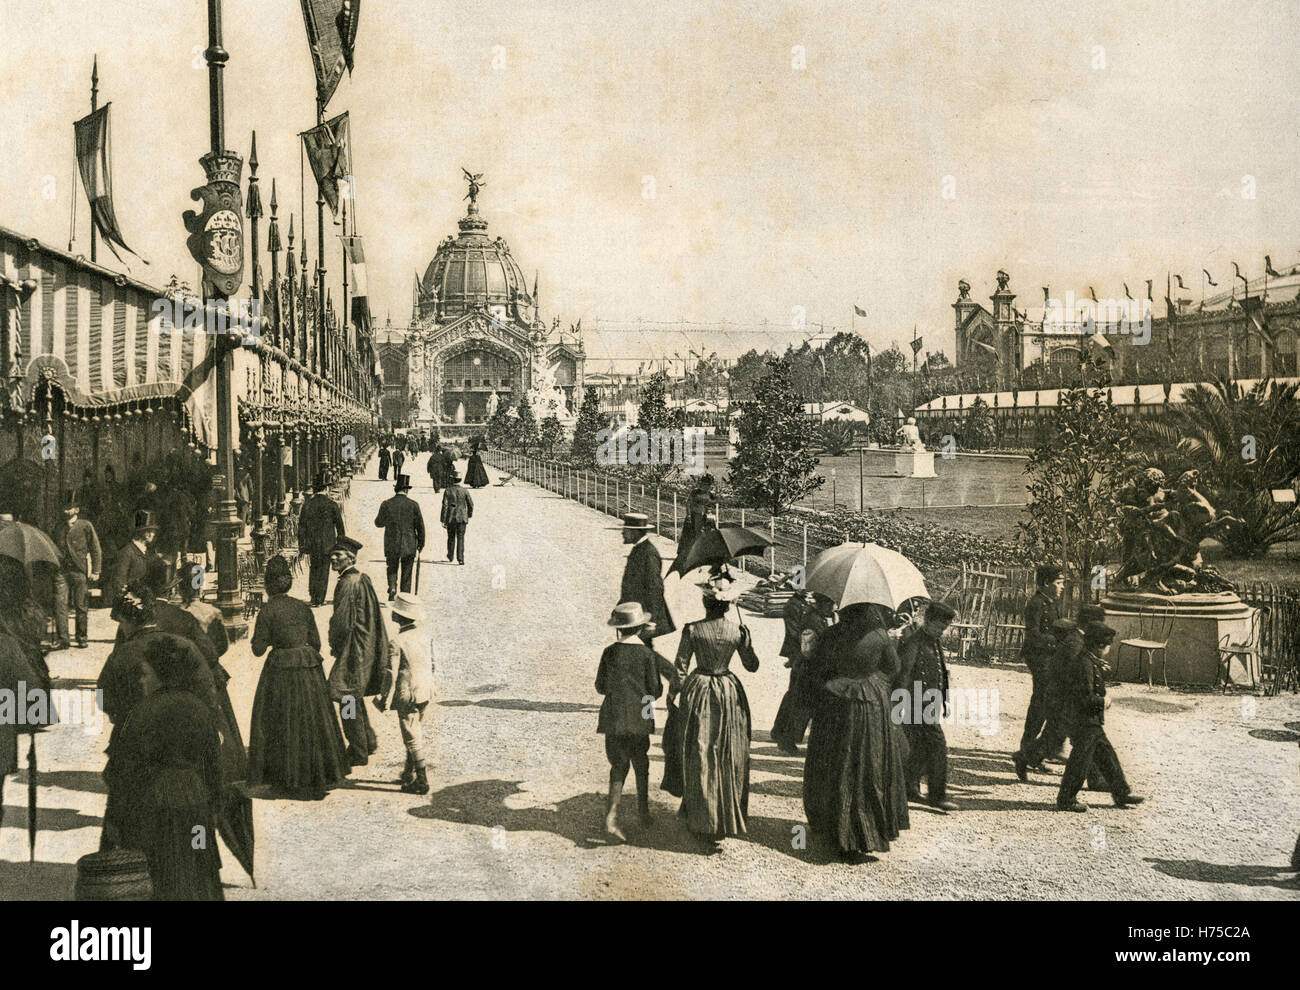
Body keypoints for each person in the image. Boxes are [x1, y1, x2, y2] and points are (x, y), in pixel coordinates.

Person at [104, 637, 224, 900]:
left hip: (152, 808)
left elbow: (120, 773)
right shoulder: (200, 710)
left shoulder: (138, 714)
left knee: (157, 872)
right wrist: (212, 808)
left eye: (145, 674)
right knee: (197, 864)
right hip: (196, 808)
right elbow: (214, 766)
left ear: (160, 675)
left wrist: (114, 819)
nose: (141, 681)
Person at [98, 585, 216, 850]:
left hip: (135, 751)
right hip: (185, 753)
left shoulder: (122, 654)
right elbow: (208, 695)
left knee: (132, 826)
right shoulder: (186, 646)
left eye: (122, 623)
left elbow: (104, 700)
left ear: (129, 620)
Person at [802, 602, 910, 860]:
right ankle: (863, 832)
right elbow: (894, 669)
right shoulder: (880, 635)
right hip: (870, 706)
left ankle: (833, 828)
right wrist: (870, 677)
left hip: (836, 703)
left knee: (834, 762)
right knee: (866, 765)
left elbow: (818, 669)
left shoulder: (830, 634)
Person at [249, 555, 348, 799]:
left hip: (280, 669)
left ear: (268, 584)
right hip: (308, 668)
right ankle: (317, 774)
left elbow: (258, 649)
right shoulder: (303, 607)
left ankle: (283, 778)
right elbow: (315, 643)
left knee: (278, 722)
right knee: (312, 721)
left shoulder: (267, 610)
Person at [672, 574, 759, 845]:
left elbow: (680, 668)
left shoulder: (692, 629)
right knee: (728, 751)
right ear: (728, 604)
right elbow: (752, 666)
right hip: (728, 689)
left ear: (705, 602)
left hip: (700, 689)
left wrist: (676, 696)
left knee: (700, 750)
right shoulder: (737, 631)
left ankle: (701, 816)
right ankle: (724, 815)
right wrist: (747, 642)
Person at [596, 602, 673, 842]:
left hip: (614, 717)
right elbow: (656, 689)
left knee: (618, 765)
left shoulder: (609, 652)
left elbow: (600, 687)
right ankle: (643, 811)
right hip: (641, 716)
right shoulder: (647, 655)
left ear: (618, 629)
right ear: (640, 628)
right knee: (641, 762)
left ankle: (611, 817)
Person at [1056, 622, 1144, 812]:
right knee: (1080, 762)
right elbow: (1084, 698)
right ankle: (1066, 799)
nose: (1109, 649)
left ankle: (1122, 793)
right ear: (1099, 645)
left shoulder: (1088, 661)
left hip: (1089, 721)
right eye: (1108, 645)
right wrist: (1103, 701)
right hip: (1083, 721)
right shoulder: (1084, 665)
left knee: (1107, 756)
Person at [327, 536, 390, 766]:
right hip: (367, 646)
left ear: (350, 558)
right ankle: (368, 740)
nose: (333, 558)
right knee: (353, 693)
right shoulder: (362, 578)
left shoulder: (347, 584)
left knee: (345, 695)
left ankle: (357, 749)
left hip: (353, 649)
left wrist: (334, 644)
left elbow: (341, 623)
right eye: (332, 554)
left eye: (338, 555)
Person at [896, 601, 958, 812]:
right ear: (928, 620)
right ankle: (937, 796)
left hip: (929, 703)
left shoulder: (933, 641)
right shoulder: (914, 642)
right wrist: (899, 704)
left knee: (920, 750)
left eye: (945, 628)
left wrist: (944, 698)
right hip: (916, 704)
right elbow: (904, 674)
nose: (942, 631)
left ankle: (908, 787)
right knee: (938, 747)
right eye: (939, 627)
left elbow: (940, 671)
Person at [377, 592, 437, 795]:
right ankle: (408, 772)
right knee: (415, 730)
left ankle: (422, 780)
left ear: (399, 616)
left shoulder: (397, 641)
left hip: (407, 693)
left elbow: (390, 674)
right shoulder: (425, 635)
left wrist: (383, 697)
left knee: (411, 736)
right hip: (425, 689)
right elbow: (434, 664)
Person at [1013, 564, 1064, 778]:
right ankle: (1029, 749)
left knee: (1047, 703)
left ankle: (1038, 750)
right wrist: (1058, 640)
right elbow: (1033, 635)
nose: (1062, 587)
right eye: (1058, 583)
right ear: (1045, 584)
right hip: (1038, 657)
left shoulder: (1051, 603)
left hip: (1049, 657)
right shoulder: (1035, 604)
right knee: (1041, 703)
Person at [771, 590, 834, 754]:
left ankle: (782, 734)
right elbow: (808, 649)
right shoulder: (813, 620)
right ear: (823, 604)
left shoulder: (817, 617)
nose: (832, 608)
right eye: (830, 605)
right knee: (802, 707)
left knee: (798, 702)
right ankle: (787, 741)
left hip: (808, 668)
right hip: (808, 669)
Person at [617, 512, 675, 647]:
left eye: (625, 530)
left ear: (635, 532)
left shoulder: (648, 553)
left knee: (641, 655)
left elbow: (655, 587)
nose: (622, 533)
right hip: (635, 616)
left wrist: (651, 620)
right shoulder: (639, 549)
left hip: (643, 618)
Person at [54, 498, 102, 649]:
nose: (65, 511)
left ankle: (82, 637)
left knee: (81, 606)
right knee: (60, 605)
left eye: (69, 508)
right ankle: (64, 640)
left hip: (79, 571)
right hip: (61, 571)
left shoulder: (86, 526)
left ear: (77, 510)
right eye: (64, 508)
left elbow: (96, 549)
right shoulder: (58, 527)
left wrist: (96, 570)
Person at [299, 474, 347, 607]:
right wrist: (341, 544)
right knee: (324, 571)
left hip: (312, 543)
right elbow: (340, 527)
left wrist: (302, 545)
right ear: (326, 489)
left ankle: (313, 596)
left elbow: (301, 527)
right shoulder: (332, 505)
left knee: (314, 567)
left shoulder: (308, 504)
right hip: (328, 544)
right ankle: (320, 598)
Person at [375, 474, 425, 598]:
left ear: (396, 489)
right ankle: (404, 595)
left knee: (391, 566)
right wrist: (421, 543)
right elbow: (420, 526)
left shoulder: (386, 504)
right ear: (407, 490)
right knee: (407, 571)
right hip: (409, 543)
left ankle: (392, 587)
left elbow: (378, 523)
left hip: (392, 542)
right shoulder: (414, 505)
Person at [178, 561, 229, 661]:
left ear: (180, 587)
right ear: (200, 586)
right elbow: (223, 646)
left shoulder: (173, 613)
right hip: (208, 664)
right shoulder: (213, 612)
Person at [111, 509, 159, 598]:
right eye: (150, 531)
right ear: (142, 532)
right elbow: (119, 582)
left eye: (153, 531)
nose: (153, 534)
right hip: (129, 605)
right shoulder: (127, 552)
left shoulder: (147, 552)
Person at [440, 469, 474, 566]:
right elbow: (471, 504)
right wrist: (469, 515)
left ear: (452, 479)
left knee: (450, 537)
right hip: (462, 517)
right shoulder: (465, 491)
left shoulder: (448, 490)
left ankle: (450, 556)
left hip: (451, 517)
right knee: (461, 538)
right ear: (460, 480)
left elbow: (445, 506)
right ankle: (461, 559)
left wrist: (443, 519)